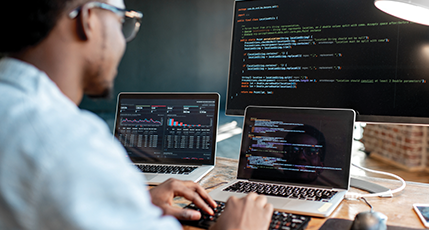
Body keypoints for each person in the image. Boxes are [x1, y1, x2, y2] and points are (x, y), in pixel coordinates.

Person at [0, 0, 273, 229]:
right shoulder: (70, 143)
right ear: (89, 19)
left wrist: (131, 206)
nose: (124, 41)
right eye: (123, 23)